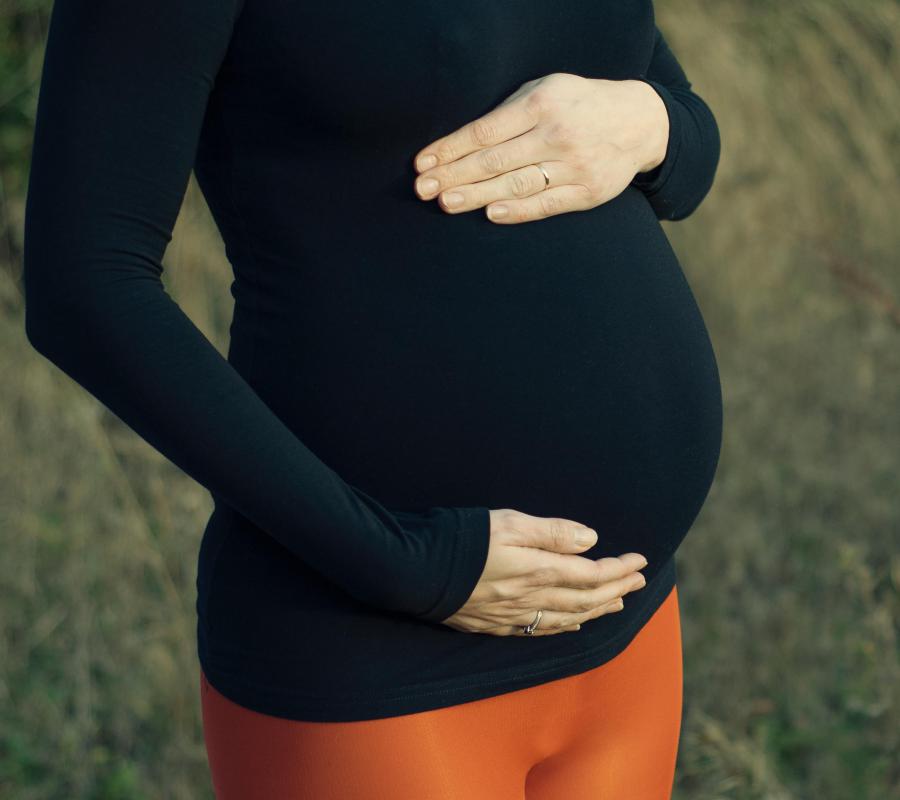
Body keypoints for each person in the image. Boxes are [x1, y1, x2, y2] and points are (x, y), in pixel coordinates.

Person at [22, 0, 722, 797]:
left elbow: (682, 147)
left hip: (622, 618)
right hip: (372, 651)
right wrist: (404, 565)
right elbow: (83, 286)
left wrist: (654, 121)